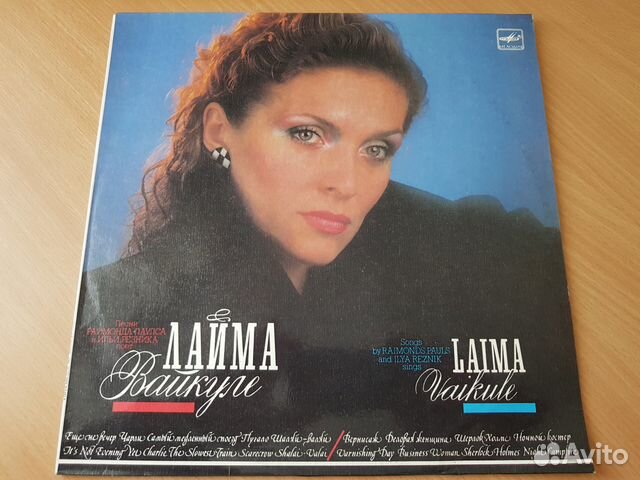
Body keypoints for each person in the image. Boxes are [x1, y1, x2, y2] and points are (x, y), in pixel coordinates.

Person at [62, 13, 590, 473]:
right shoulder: (117, 309)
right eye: (307, 134)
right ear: (219, 131)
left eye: (376, 149)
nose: (347, 183)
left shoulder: (427, 233)